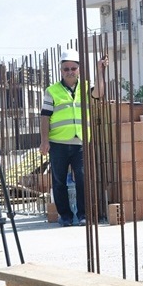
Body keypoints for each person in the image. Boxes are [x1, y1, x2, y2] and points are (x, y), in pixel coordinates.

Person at [40, 50, 107, 227]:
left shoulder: (86, 87)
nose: (69, 71)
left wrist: (99, 70)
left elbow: (99, 93)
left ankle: (83, 214)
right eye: (65, 69)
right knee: (59, 180)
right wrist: (44, 140)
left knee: (83, 178)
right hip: (58, 142)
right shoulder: (52, 91)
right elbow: (45, 116)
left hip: (80, 142)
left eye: (73, 68)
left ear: (79, 69)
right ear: (61, 70)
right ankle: (66, 216)